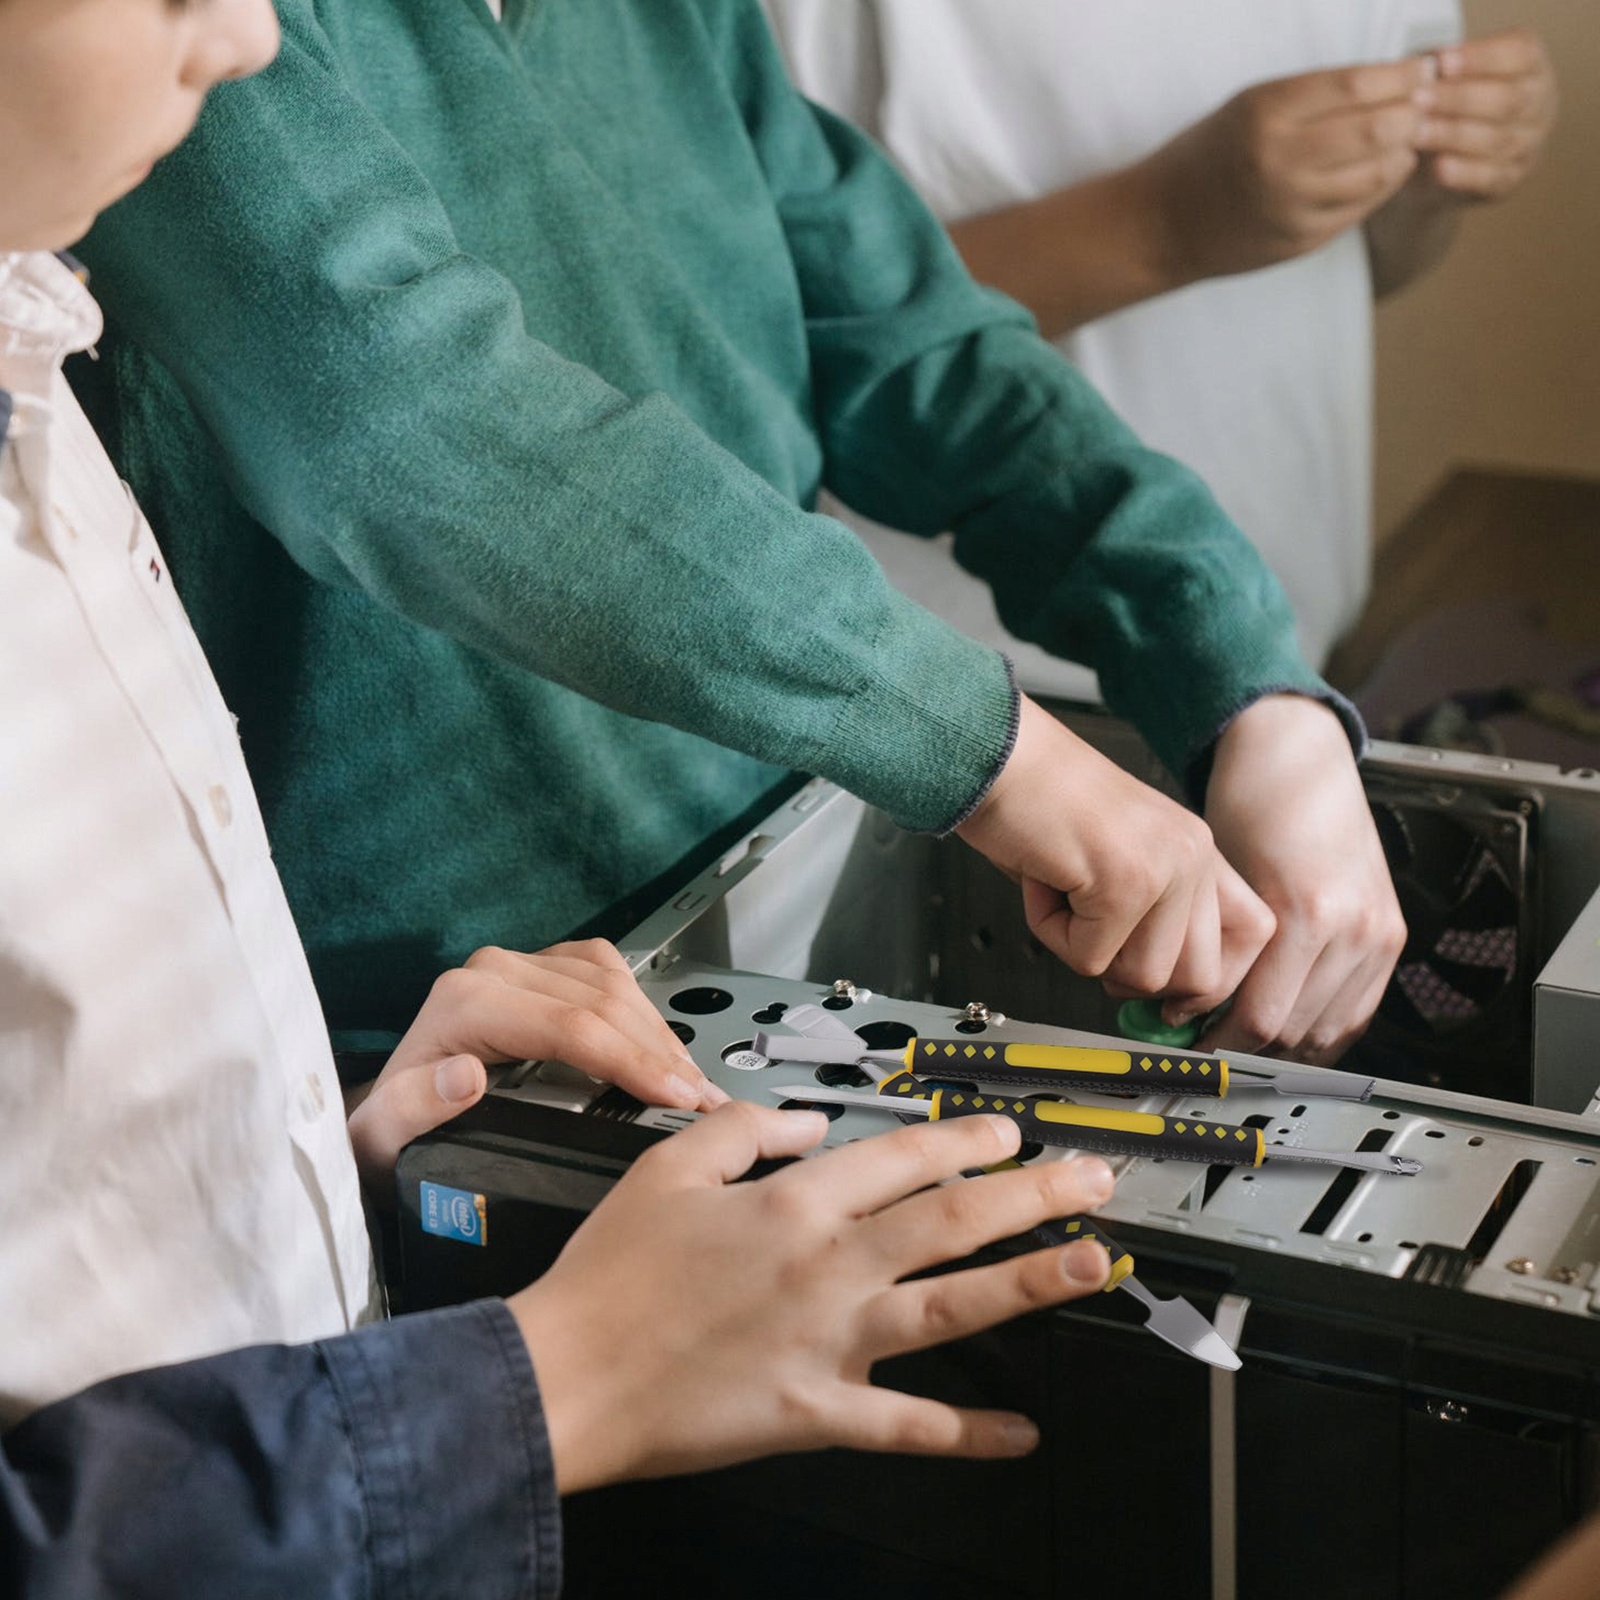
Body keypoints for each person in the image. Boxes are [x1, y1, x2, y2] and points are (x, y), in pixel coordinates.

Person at [0, 2, 1123, 1592]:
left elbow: (74, 1178)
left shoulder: (36, 369)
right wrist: (551, 1388)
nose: (252, 44)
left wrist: (342, 1166)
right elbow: (397, 418)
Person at [74, 0, 1406, 1069]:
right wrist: (1001, 760)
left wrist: (1246, 686)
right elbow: (404, 424)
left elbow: (907, 343)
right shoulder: (196, 28)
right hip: (438, 1020)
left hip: (787, 877)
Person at [761, 1, 1557, 682]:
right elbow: (758, 338)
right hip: (985, 695)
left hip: (1299, 641)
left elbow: (1377, 264)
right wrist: (1164, 224)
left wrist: (1437, 178)